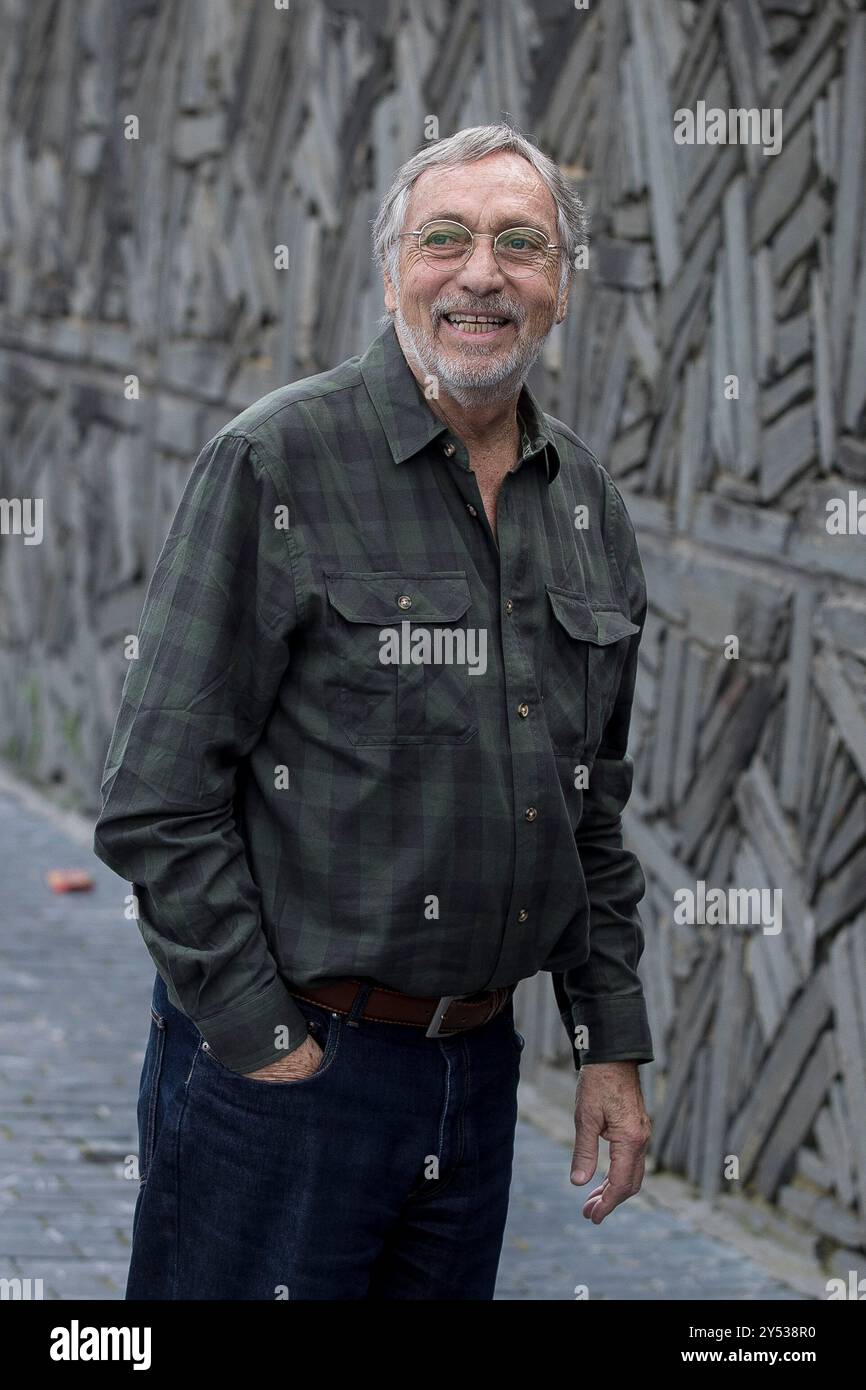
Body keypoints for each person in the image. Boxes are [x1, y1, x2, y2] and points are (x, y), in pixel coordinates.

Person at [93, 122, 653, 1301]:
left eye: (519, 244)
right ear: (393, 268)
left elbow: (591, 809)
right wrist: (263, 1044)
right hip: (290, 1077)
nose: (481, 273)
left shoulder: (588, 503)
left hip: (476, 1074)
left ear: (559, 287)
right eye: (443, 239)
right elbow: (157, 798)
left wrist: (609, 1043)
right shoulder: (275, 462)